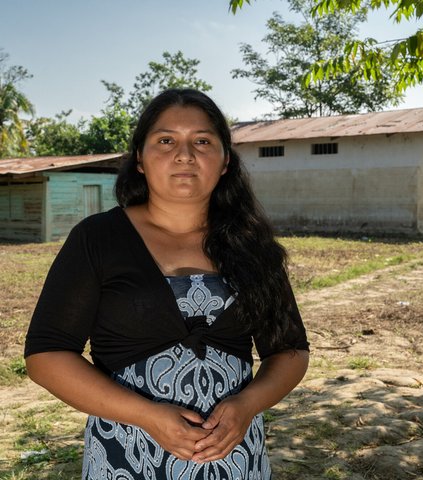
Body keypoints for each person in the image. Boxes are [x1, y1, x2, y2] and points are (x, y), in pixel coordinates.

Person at [24, 88, 309, 480]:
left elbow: (290, 350)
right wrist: (148, 416)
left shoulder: (250, 243)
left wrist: (246, 406)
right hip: (127, 456)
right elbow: (46, 356)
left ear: (225, 161)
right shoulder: (99, 238)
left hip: (234, 458)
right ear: (139, 158)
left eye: (203, 141)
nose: (185, 155)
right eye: (166, 140)